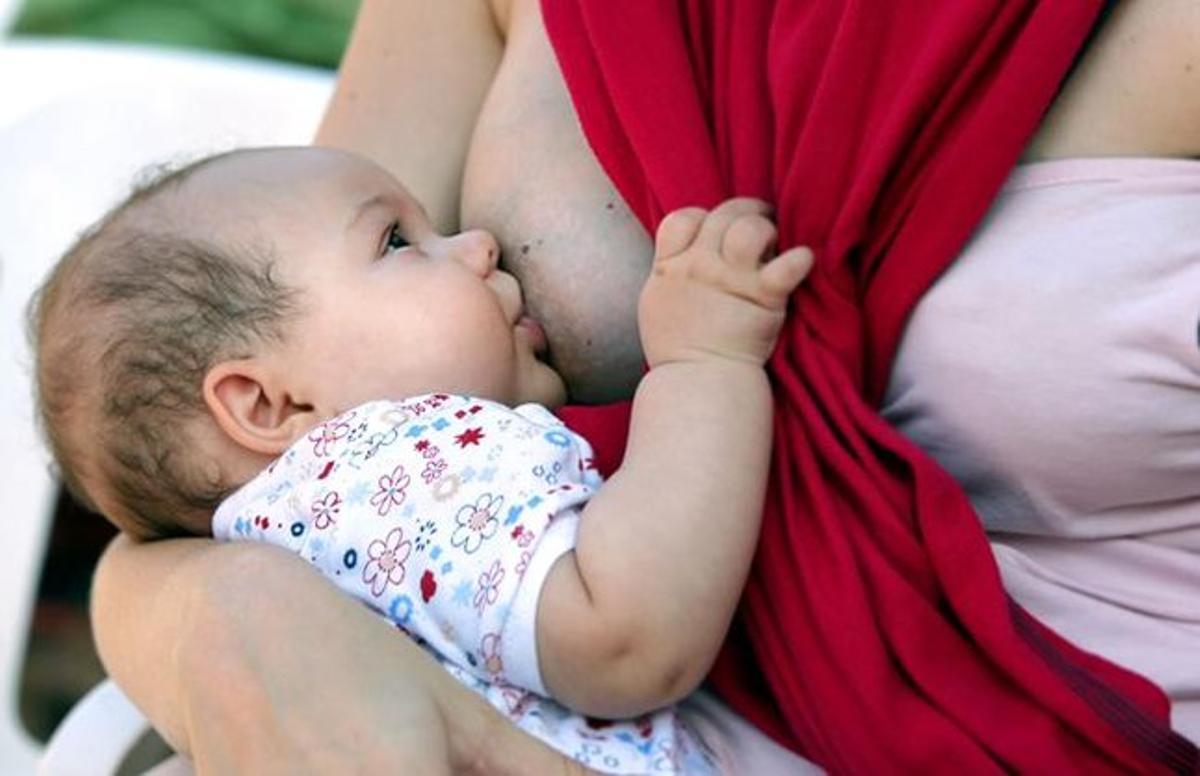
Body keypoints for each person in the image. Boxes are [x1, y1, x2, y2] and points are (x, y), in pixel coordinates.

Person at [83, 0, 1200, 772]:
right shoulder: (374, 460)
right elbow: (191, 465)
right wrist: (245, 616)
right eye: (404, 241)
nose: (475, 246)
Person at [32, 144, 815, 773]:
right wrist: (703, 362)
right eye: (399, 241)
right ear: (268, 406)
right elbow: (627, 637)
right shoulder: (390, 471)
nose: (479, 245)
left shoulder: (306, 527)